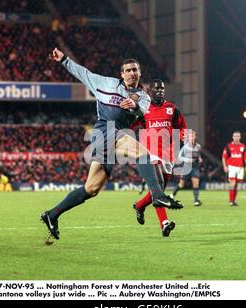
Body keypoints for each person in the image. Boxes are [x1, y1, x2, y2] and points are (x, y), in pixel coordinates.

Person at [41, 48, 182, 241]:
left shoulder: (144, 96)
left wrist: (135, 106)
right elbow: (82, 73)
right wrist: (64, 59)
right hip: (105, 130)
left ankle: (52, 214)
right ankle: (157, 194)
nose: (132, 73)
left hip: (114, 135)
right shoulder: (105, 83)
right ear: (121, 74)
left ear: (140, 74)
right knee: (143, 152)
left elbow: (144, 112)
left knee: (91, 189)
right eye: (129, 70)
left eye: (136, 70)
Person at [132, 79, 187, 236]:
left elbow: (181, 126)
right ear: (151, 91)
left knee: (159, 191)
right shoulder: (144, 109)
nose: (160, 90)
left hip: (168, 153)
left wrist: (182, 135)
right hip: (150, 152)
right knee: (159, 189)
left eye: (162, 88)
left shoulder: (171, 108)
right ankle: (164, 223)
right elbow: (131, 123)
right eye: (157, 88)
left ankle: (139, 206)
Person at [171, 131, 203, 206]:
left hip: (195, 166)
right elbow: (179, 157)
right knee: (181, 184)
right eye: (190, 135)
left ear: (195, 137)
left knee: (196, 183)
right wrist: (187, 160)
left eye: (193, 135)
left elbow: (199, 156)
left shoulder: (198, 146)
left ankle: (196, 201)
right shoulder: (185, 147)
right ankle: (172, 195)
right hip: (186, 166)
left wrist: (200, 159)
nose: (192, 137)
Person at [222, 131, 246, 206]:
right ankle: (231, 201)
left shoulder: (243, 146)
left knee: (237, 185)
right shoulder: (228, 146)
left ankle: (233, 200)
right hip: (231, 167)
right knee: (232, 183)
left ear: (240, 137)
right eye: (235, 136)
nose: (236, 137)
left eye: (238, 136)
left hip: (240, 168)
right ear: (232, 137)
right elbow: (224, 157)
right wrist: (225, 166)